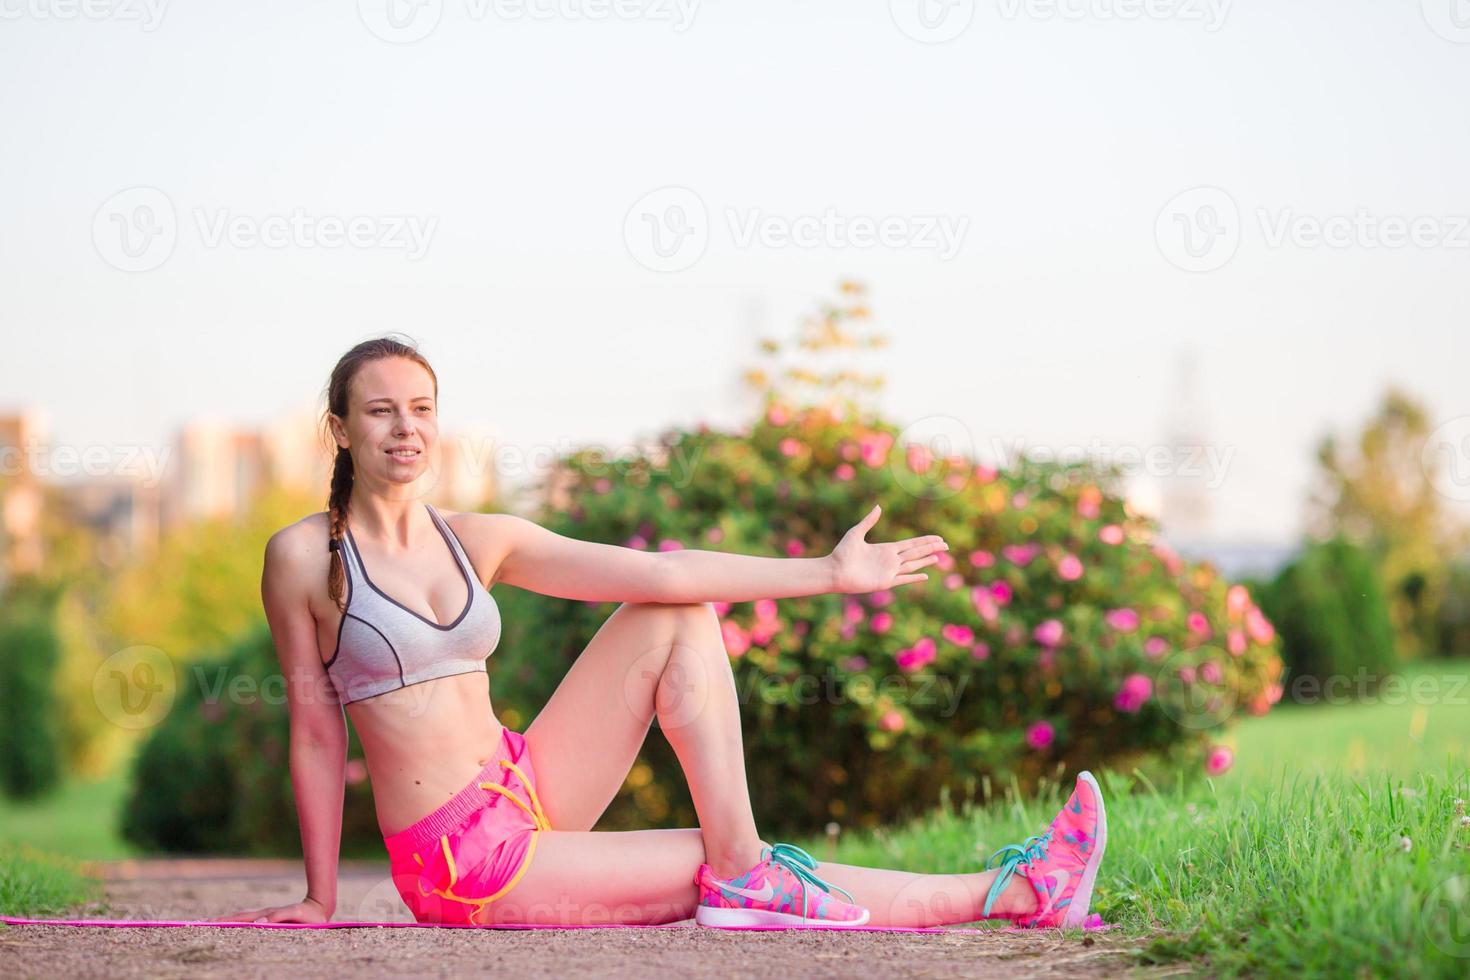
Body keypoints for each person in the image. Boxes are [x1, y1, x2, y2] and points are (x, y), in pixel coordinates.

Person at [217, 335, 1107, 930]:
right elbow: (315, 727)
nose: (405, 428)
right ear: (339, 428)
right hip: (457, 854)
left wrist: (832, 575)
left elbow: (667, 572)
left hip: (525, 780)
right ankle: (1021, 892)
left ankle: (745, 868)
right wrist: (319, 899)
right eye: (380, 411)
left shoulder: (475, 538)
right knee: (705, 862)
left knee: (673, 613)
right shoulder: (303, 558)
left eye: (421, 407)